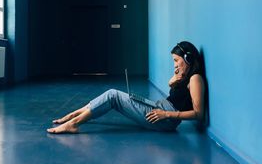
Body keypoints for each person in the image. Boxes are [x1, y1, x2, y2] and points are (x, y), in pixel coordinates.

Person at [47, 41, 205, 134]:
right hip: (158, 108)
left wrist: (166, 114)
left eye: (177, 60)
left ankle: (73, 124)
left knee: (112, 96)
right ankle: (73, 115)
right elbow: (177, 92)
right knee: (114, 96)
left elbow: (198, 114)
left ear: (188, 58)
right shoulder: (185, 77)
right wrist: (174, 81)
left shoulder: (195, 79)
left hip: (165, 119)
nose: (175, 65)